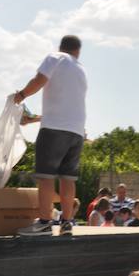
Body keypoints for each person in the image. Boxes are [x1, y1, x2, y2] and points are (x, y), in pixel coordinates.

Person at [16, 35, 88, 237]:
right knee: (68, 179)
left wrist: (20, 95)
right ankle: (66, 223)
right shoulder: (81, 70)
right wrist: (33, 119)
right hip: (76, 133)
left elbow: (39, 80)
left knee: (46, 177)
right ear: (78, 50)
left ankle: (45, 223)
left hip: (54, 131)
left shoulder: (55, 58)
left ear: (62, 47)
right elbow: (65, 108)